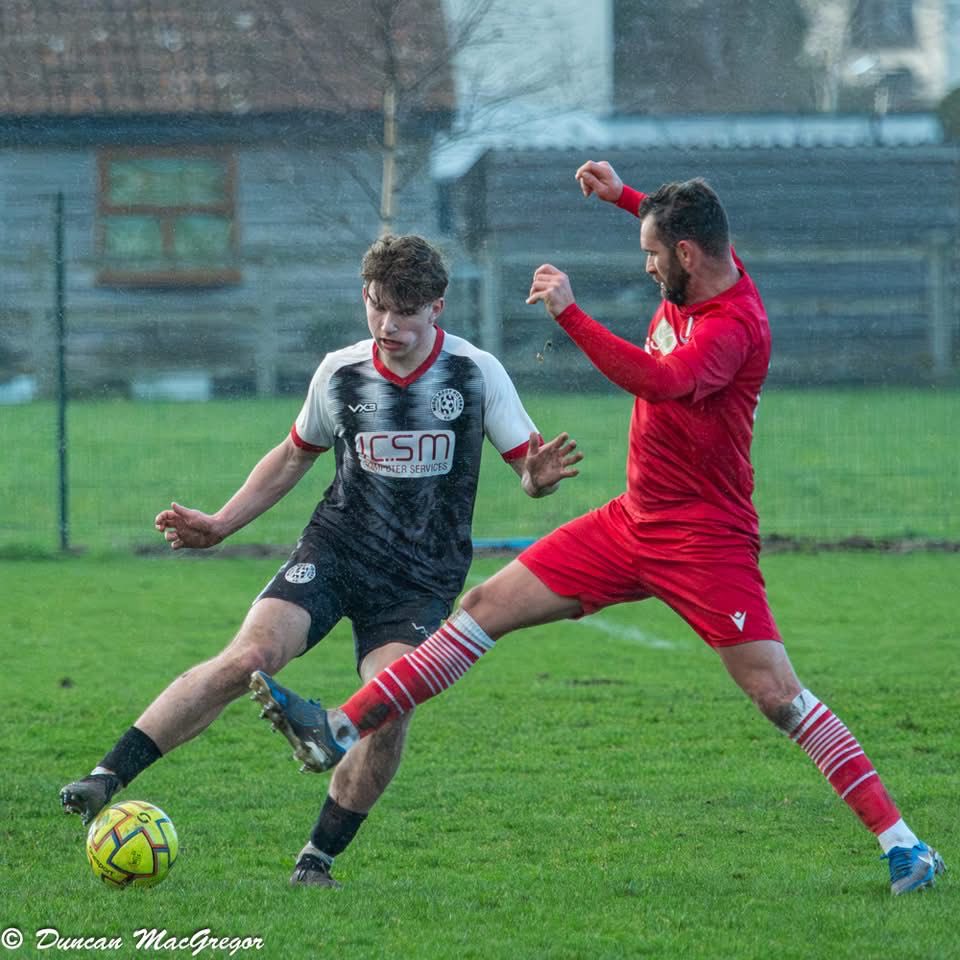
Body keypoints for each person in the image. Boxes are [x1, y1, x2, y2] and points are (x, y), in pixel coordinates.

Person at [250, 163, 946, 896]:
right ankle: (338, 729)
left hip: (705, 542)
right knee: (484, 609)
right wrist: (623, 199)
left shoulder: (733, 327)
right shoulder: (707, 260)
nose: (645, 266)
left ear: (684, 256)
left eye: (652, 255)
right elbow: (676, 223)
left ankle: (904, 846)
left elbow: (663, 382)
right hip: (631, 521)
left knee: (778, 696)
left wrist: (571, 317)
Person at [59, 233, 582, 888]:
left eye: (405, 313)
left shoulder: (475, 374)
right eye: (376, 306)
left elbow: (529, 473)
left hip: (419, 579)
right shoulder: (341, 371)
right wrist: (220, 523)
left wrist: (537, 479)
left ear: (437, 308)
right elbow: (290, 457)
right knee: (246, 659)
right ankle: (106, 776)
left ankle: (317, 858)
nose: (388, 325)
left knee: (387, 712)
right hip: (336, 550)